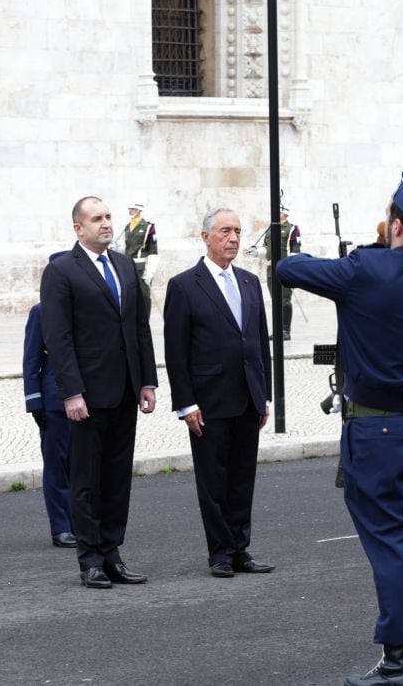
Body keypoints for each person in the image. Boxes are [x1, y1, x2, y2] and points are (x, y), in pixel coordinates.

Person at [277, 171, 403, 686]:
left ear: (396, 225)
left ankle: (399, 659)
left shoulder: (365, 269)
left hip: (379, 434)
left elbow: (288, 267)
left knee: (391, 546)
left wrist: (361, 254)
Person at [40, 196, 158, 590]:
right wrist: (71, 392)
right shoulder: (61, 271)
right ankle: (89, 559)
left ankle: (112, 554)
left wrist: (147, 380)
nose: (106, 224)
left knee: (117, 478)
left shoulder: (124, 265)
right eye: (97, 219)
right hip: (87, 396)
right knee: (87, 479)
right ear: (79, 228)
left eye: (108, 217)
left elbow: (140, 327)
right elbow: (59, 337)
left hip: (124, 390)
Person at [163, 207, 275, 578]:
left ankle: (240, 547)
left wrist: (265, 395)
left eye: (239, 232)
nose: (234, 238)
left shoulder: (248, 282)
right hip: (208, 400)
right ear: (206, 236)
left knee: (243, 478)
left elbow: (260, 341)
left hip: (247, 396)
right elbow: (176, 352)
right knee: (214, 480)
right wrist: (186, 403)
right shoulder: (184, 285)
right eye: (225, 231)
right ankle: (220, 553)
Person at [22, 259, 76, 549]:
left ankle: (82, 523)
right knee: (57, 467)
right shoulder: (40, 312)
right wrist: (35, 403)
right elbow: (31, 361)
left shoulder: (85, 310)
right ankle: (61, 527)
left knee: (82, 466)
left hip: (86, 400)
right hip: (54, 403)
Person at [261, 203, 301, 340]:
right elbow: (265, 250)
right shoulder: (270, 229)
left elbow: (295, 250)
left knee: (284, 300)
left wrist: (292, 270)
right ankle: (277, 330)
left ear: (284, 213)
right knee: (275, 301)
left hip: (285, 268)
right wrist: (256, 252)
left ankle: (285, 330)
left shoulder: (292, 229)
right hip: (271, 269)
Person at [114, 200, 159, 318]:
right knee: (129, 295)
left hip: (142, 269)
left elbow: (153, 251)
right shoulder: (128, 227)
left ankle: (144, 321)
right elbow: (127, 247)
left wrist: (150, 272)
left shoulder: (149, 227)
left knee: (144, 296)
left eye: (132, 209)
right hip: (128, 267)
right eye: (129, 209)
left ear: (139, 210)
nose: (130, 211)